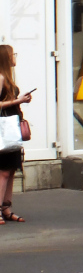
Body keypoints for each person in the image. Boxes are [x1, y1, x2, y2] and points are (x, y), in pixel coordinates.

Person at [0, 45, 32, 223]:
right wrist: (18, 100)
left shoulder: (8, 79)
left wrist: (20, 101)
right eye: (13, 55)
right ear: (6, 58)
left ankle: (7, 208)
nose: (15, 57)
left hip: (12, 131)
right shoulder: (1, 77)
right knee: (4, 171)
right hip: (5, 131)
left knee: (11, 170)